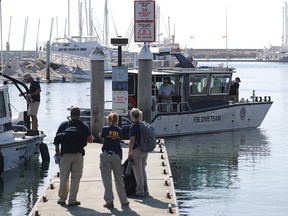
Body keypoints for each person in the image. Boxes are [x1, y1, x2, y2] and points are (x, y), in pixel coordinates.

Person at [53, 107, 94, 206]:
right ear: (79, 115)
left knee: (64, 177)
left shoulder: (64, 125)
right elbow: (90, 140)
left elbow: (57, 139)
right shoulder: (83, 126)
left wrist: (57, 152)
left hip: (65, 155)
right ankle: (72, 200)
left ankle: (62, 199)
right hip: (78, 155)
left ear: (70, 114)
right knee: (76, 178)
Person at [99, 112, 129, 209]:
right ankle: (123, 200)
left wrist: (102, 136)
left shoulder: (105, 129)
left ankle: (109, 201)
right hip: (117, 155)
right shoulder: (120, 130)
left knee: (107, 179)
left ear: (109, 119)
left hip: (107, 154)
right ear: (117, 120)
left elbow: (103, 140)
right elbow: (118, 140)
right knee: (119, 178)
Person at [128, 108, 149, 197]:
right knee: (143, 170)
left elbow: (132, 141)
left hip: (137, 151)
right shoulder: (143, 125)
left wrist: (130, 152)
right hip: (145, 150)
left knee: (138, 172)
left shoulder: (134, 127)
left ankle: (140, 191)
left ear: (133, 116)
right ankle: (146, 189)